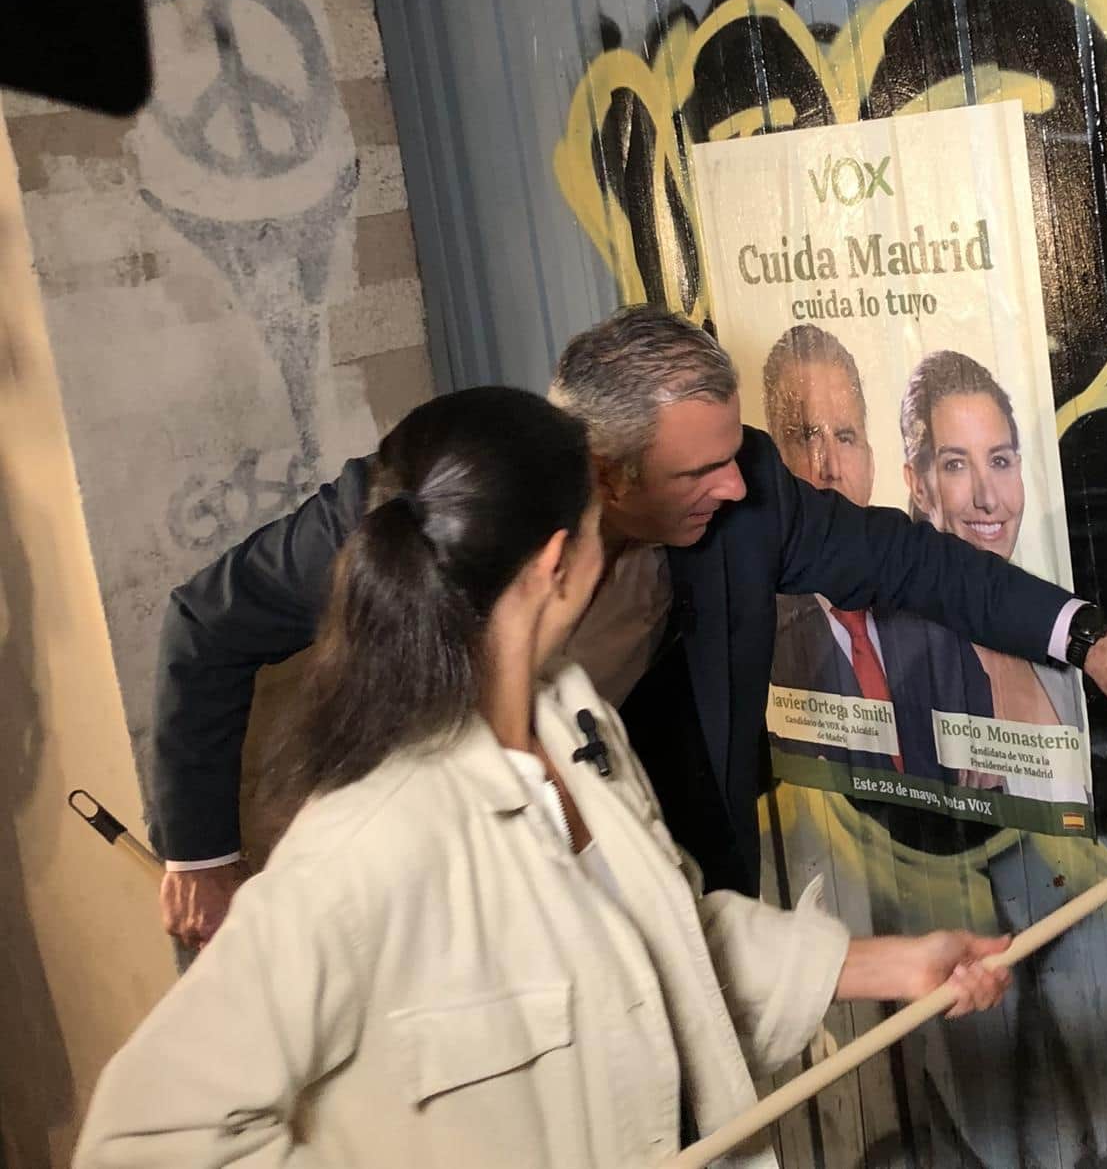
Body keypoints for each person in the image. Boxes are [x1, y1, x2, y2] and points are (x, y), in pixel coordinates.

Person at [79, 387, 1008, 1167]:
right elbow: (144, 1141)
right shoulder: (368, 841)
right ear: (561, 562)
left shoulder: (576, 726)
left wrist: (891, 964)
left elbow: (664, 942)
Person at [155, 305, 1107, 944]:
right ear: (600, 477)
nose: (742, 485)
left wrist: (1093, 640)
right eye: (704, 468)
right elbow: (203, 626)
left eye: (739, 453)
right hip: (438, 914)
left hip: (656, 895)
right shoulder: (425, 509)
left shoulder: (748, 494)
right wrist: (200, 855)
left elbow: (911, 561)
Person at [761, 324, 994, 784]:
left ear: (870, 457)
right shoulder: (758, 635)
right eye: (806, 436)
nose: (828, 467)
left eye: (845, 437)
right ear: (773, 461)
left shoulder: (935, 618)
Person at [899, 350, 1086, 737]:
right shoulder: (900, 658)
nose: (987, 498)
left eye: (999, 461)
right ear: (919, 486)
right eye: (956, 464)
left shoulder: (1053, 630)